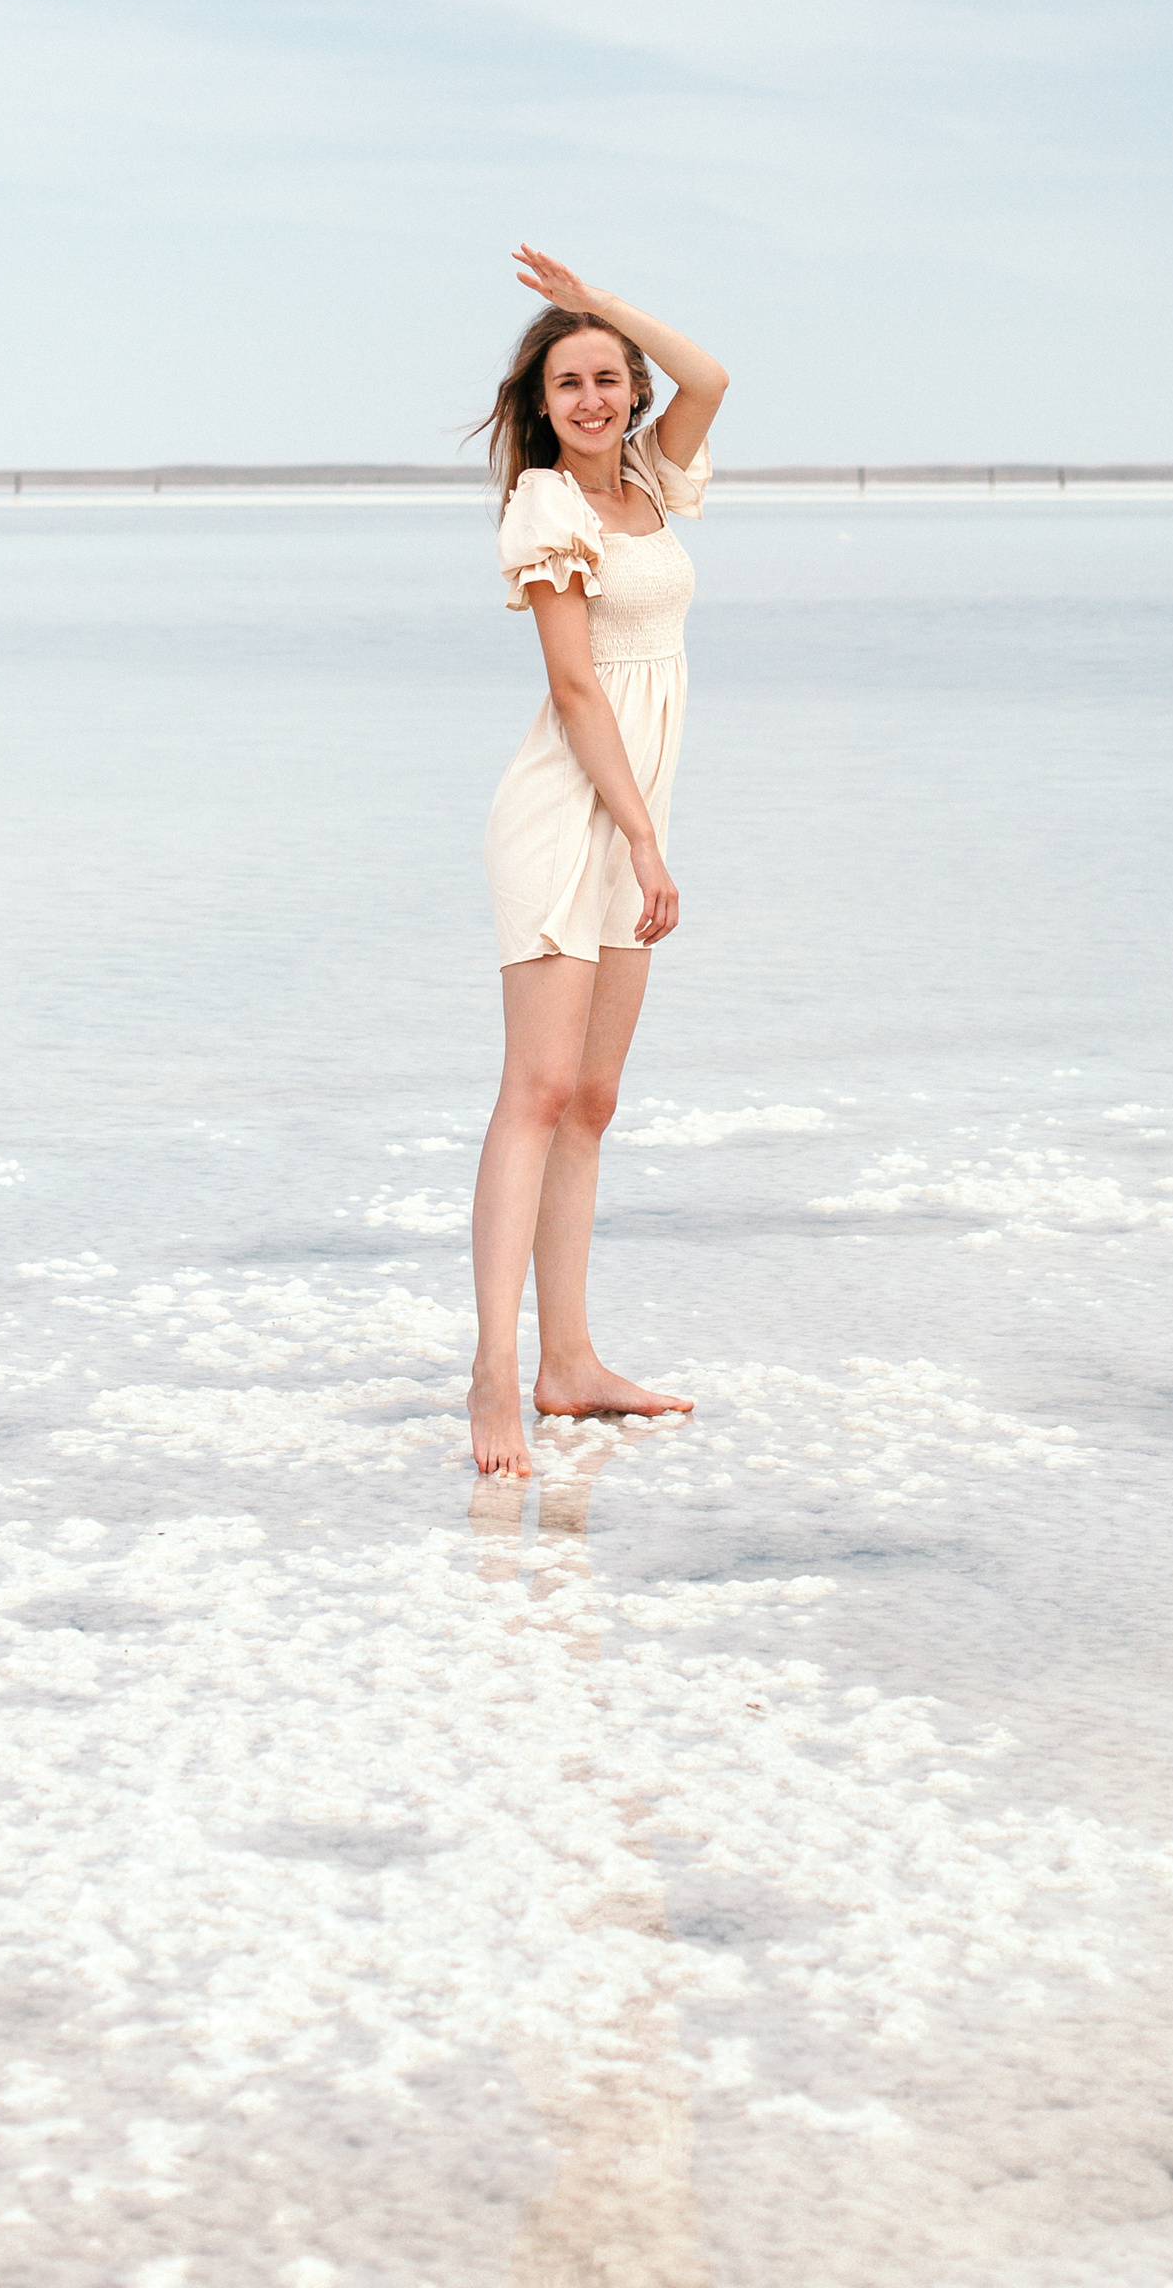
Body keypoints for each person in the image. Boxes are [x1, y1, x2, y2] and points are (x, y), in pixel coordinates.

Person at [467, 247, 730, 1478]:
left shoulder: (654, 493)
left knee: (595, 1101)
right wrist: (637, 834)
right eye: (567, 381)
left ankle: (569, 1365)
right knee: (535, 1092)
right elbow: (575, 689)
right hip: (572, 814)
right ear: (538, 405)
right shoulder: (548, 509)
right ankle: (492, 1378)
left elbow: (714, 375)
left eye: (609, 379)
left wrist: (604, 307)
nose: (593, 399)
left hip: (640, 815)